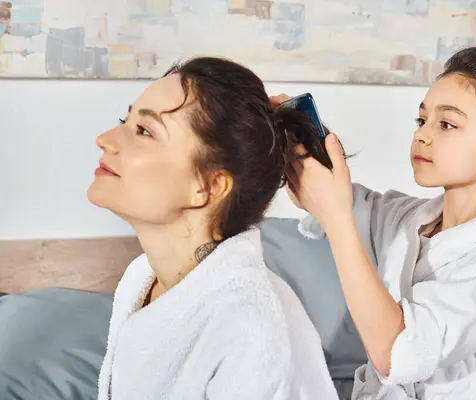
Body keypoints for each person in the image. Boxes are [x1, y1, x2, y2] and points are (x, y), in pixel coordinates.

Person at [273, 46, 476, 399]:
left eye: (447, 124)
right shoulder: (414, 219)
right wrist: (303, 139)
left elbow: (399, 353)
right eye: (422, 120)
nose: (422, 134)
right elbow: (334, 200)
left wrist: (337, 218)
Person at [88, 57, 339, 400]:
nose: (105, 139)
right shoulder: (141, 278)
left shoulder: (252, 328)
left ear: (209, 186)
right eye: (124, 120)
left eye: (144, 131)